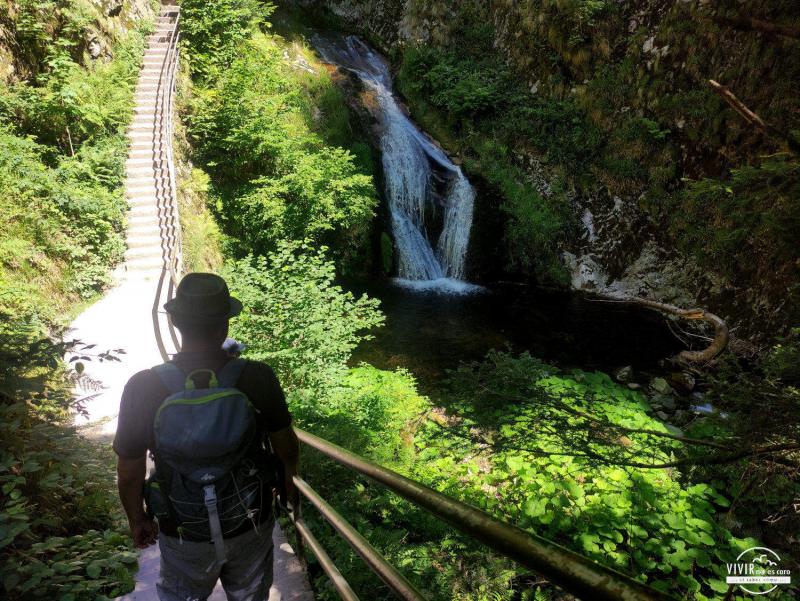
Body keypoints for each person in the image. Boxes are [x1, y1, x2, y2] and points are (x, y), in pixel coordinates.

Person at [114, 273, 299, 601]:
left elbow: (129, 469)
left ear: (175, 322)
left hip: (182, 527)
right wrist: (287, 486)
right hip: (249, 519)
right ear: (225, 324)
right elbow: (285, 446)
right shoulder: (257, 377)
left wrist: (137, 519)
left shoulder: (143, 386)